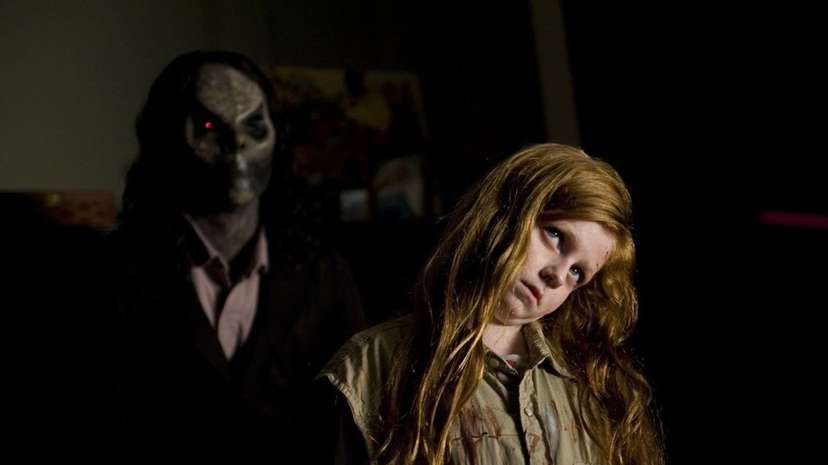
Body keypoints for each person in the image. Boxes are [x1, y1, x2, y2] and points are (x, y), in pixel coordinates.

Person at [87, 50, 365, 463]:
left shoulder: (322, 273)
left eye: (254, 125)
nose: (237, 144)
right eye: (208, 126)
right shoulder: (114, 275)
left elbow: (355, 417)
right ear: (167, 139)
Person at [319, 143, 664, 465]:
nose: (557, 276)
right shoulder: (370, 366)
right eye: (556, 235)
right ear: (504, 213)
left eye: (578, 272)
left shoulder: (590, 388)